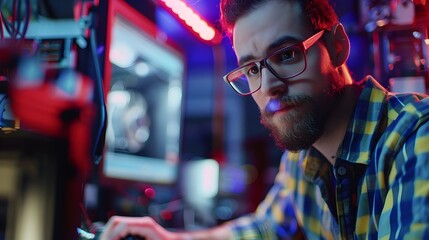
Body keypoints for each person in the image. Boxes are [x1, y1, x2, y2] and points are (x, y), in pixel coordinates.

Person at [100, 0, 429, 239]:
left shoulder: (416, 137)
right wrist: (168, 239)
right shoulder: (302, 157)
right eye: (252, 69)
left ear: (338, 46)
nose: (270, 86)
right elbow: (264, 228)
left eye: (286, 55)